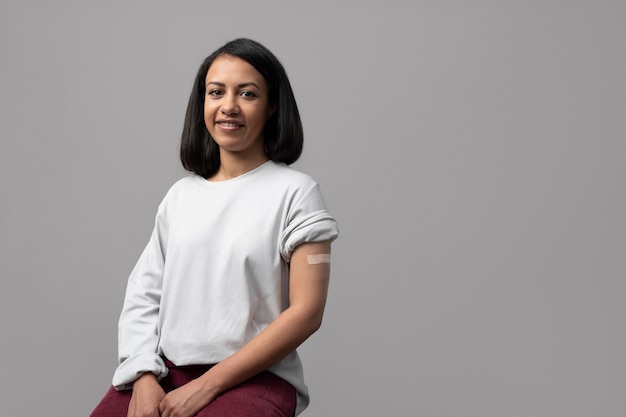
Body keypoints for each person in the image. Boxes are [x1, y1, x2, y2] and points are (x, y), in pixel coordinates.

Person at [90, 38, 339, 417]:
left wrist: (206, 386)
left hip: (257, 377)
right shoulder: (179, 197)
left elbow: (307, 313)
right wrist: (142, 376)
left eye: (248, 94)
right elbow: (144, 295)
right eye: (216, 92)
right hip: (166, 372)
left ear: (272, 106)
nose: (229, 106)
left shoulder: (297, 193)